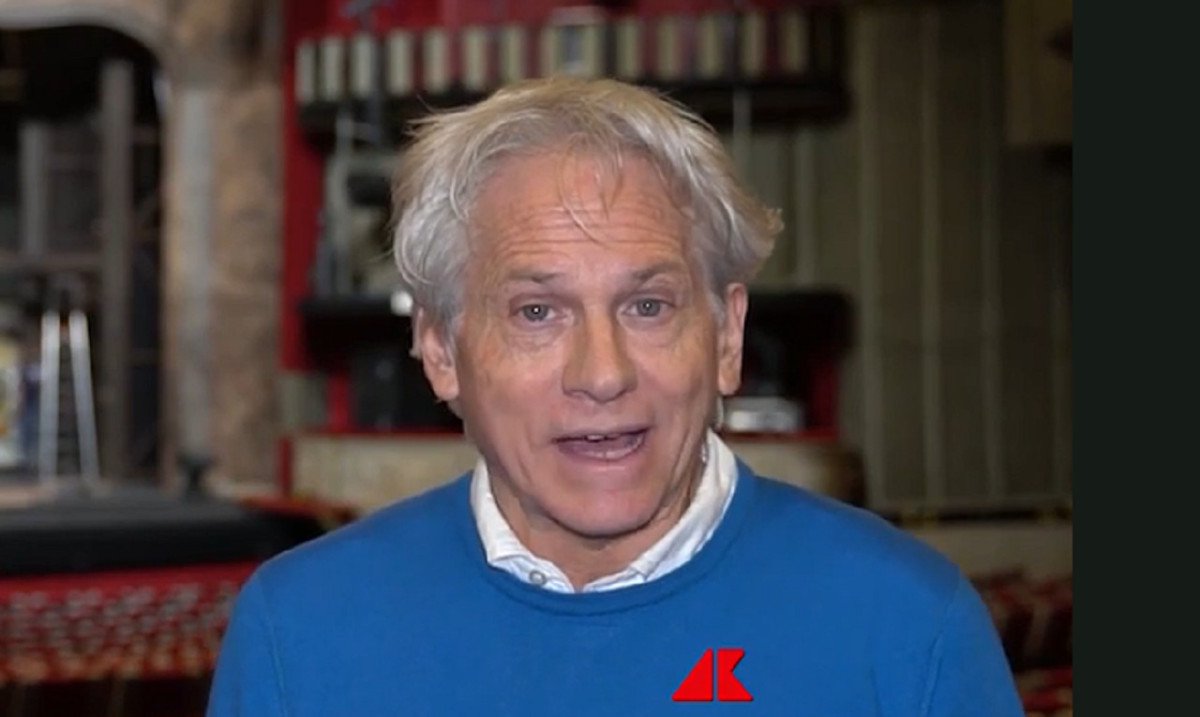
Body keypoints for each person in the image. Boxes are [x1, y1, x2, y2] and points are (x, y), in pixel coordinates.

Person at [207, 76, 1023, 716]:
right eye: (537, 312)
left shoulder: (909, 621)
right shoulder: (300, 629)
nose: (603, 373)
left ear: (727, 335)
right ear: (441, 349)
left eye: (648, 306)